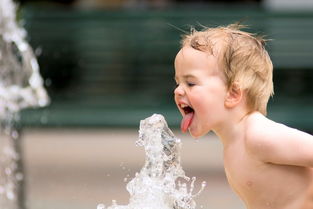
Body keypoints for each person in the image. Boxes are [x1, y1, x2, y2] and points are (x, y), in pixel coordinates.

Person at [173, 23, 313, 209]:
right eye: (178, 82)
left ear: (233, 94)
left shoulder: (258, 136)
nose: (178, 90)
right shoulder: (233, 145)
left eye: (190, 83)